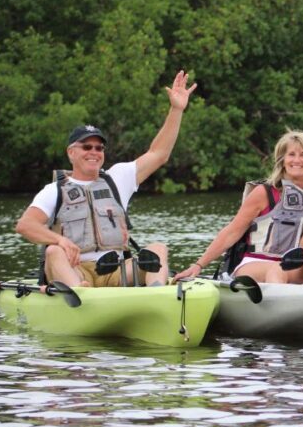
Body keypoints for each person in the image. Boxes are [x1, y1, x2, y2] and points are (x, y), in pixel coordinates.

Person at [15, 70, 198, 287]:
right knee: (54, 251)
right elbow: (25, 226)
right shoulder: (54, 190)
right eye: (87, 146)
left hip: (116, 272)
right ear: (71, 153)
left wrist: (176, 109)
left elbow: (159, 154)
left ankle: (156, 294)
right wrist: (60, 240)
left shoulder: (118, 177)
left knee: (157, 249)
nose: (94, 151)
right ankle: (79, 294)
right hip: (77, 271)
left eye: (99, 147)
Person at [174, 131, 303, 286]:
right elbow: (231, 233)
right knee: (276, 270)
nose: (297, 160)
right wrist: (198, 265)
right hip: (256, 264)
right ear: (282, 160)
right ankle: (282, 316)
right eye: (291, 154)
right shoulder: (264, 192)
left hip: (293, 269)